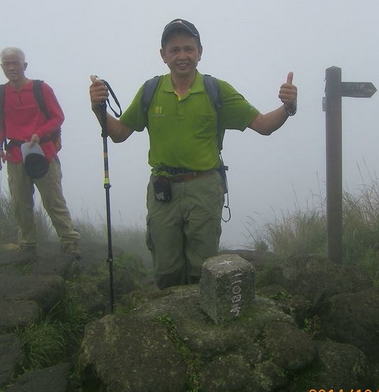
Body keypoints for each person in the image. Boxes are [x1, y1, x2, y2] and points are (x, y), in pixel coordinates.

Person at [89, 19, 297, 288]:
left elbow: (264, 125)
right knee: (166, 269)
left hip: (204, 187)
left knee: (203, 268)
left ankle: (201, 323)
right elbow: (118, 133)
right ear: (163, 55)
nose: (182, 55)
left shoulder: (216, 90)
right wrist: (98, 109)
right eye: (174, 50)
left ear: (200, 52)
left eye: (188, 48)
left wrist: (288, 108)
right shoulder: (151, 91)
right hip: (162, 189)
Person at [0, 47, 80, 258]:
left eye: (16, 63)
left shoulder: (41, 89)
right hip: (15, 155)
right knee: (20, 203)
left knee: (53, 200)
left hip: (43, 152)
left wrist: (39, 133)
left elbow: (57, 117)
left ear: (25, 65)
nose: (11, 68)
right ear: (2, 67)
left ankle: (70, 241)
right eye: (7, 64)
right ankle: (27, 244)